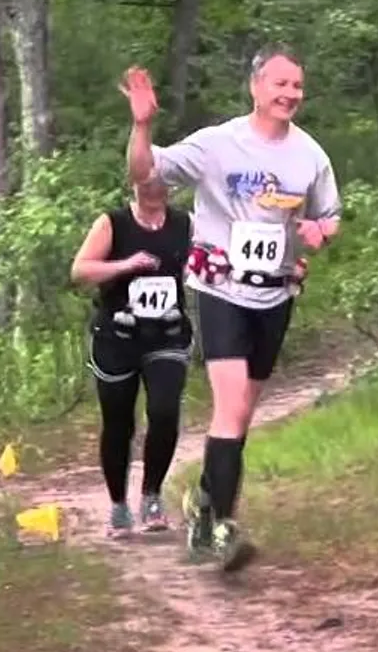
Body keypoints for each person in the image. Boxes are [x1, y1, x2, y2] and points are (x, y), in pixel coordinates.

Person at [119, 47, 341, 572]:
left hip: (276, 294)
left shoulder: (310, 155)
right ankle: (221, 527)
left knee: (240, 418)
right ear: (256, 87)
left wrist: (318, 233)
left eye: (297, 86)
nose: (290, 94)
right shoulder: (218, 144)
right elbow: (145, 173)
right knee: (231, 408)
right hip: (221, 290)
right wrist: (142, 126)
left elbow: (329, 217)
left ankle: (202, 509)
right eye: (280, 84)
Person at [68, 177, 194, 539]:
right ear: (133, 184)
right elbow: (80, 271)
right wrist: (125, 266)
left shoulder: (186, 223)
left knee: (165, 411)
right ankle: (118, 505)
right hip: (117, 336)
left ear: (170, 185)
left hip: (167, 334)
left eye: (160, 181)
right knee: (118, 424)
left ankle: (152, 496)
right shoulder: (113, 223)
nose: (153, 188)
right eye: (145, 181)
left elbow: (209, 262)